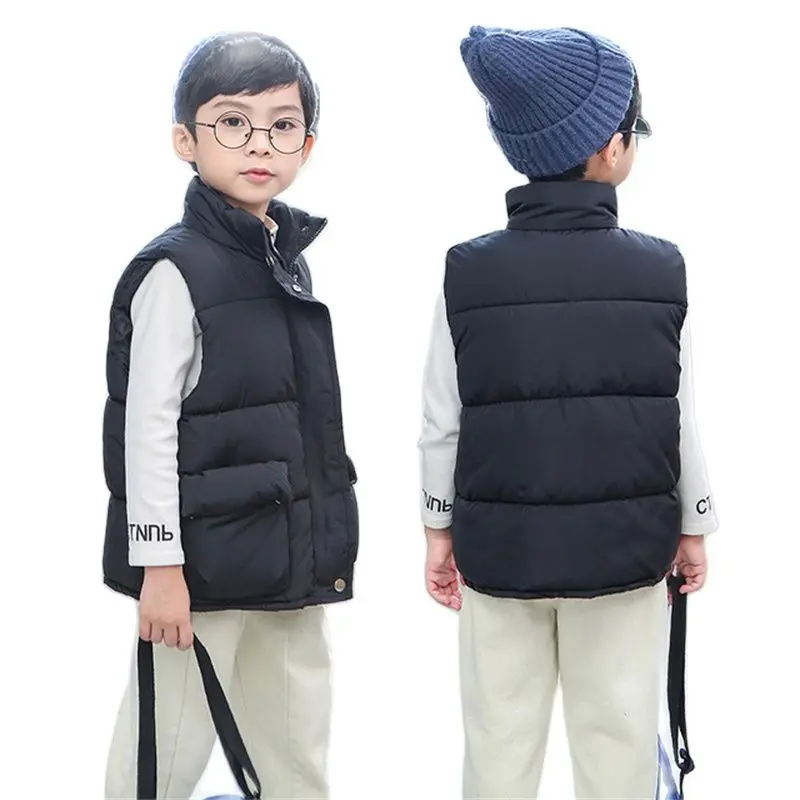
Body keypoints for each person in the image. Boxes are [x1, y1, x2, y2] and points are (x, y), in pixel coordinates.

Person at [418, 26, 719, 800]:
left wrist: (438, 529)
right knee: (618, 752)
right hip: (625, 553)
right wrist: (694, 522)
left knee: (497, 751)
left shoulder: (467, 272)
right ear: (611, 147)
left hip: (500, 552)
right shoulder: (660, 269)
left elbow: (442, 419)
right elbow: (678, 413)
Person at [101, 31, 359, 799]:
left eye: (283, 125)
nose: (259, 144)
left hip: (288, 558)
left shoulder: (284, 259)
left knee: (295, 750)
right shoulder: (175, 271)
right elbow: (145, 428)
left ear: (307, 144)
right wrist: (160, 568)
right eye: (233, 123)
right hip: (202, 567)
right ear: (186, 140)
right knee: (164, 748)